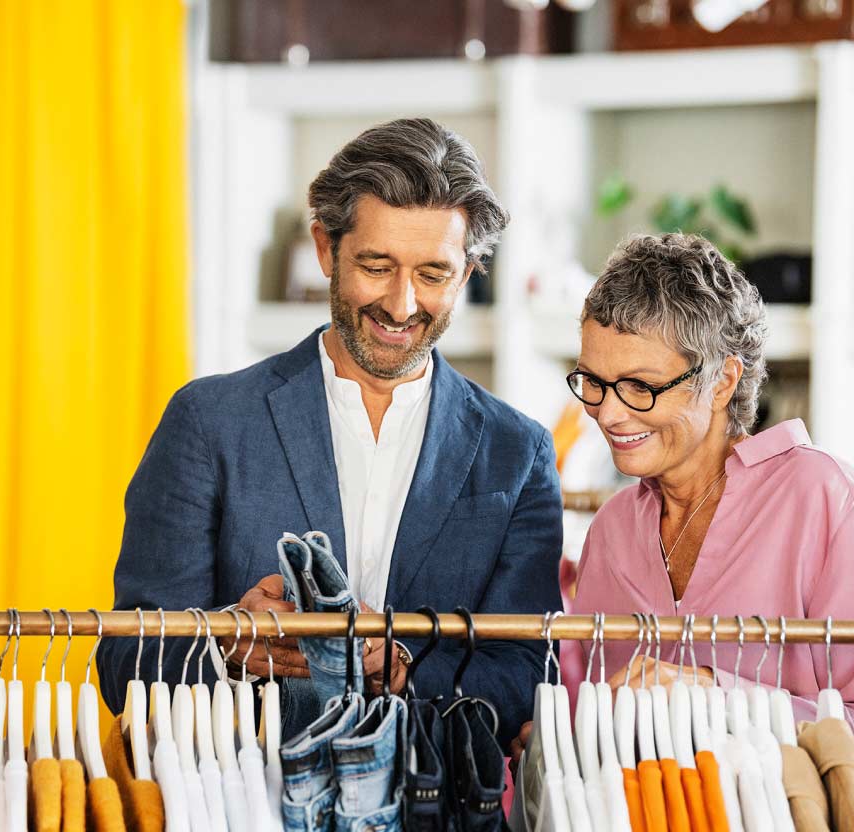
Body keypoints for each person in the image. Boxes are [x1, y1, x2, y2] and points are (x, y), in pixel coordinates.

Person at [98, 118, 563, 747]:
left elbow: (527, 674)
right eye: (376, 266)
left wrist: (398, 672)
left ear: (469, 270)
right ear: (325, 249)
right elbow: (122, 661)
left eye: (433, 275)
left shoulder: (519, 453)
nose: (402, 305)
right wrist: (225, 646)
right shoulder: (207, 421)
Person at [512, 233, 854, 830]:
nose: (606, 412)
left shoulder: (823, 498)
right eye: (593, 383)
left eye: (639, 387)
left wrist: (715, 697)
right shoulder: (610, 531)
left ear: (723, 380)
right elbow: (593, 723)